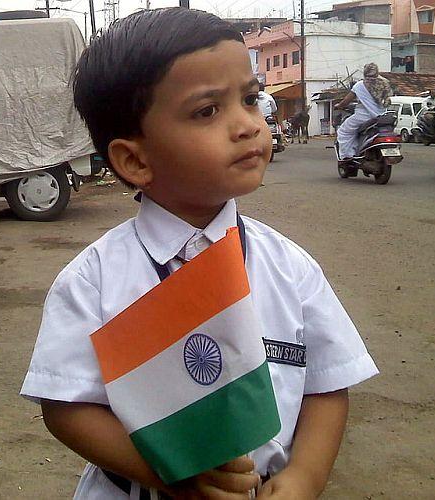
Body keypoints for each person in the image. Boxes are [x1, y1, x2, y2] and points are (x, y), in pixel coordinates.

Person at [21, 8, 378, 499]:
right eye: (207, 111)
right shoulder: (94, 280)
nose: (248, 125)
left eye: (250, 100)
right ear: (135, 159)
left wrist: (304, 478)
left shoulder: (290, 267)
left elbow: (327, 383)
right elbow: (66, 406)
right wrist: (172, 472)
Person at [335, 63, 392, 160]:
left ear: (365, 73)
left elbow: (346, 101)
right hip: (382, 117)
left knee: (344, 131)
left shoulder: (359, 86)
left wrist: (339, 106)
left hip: (363, 117)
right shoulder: (385, 83)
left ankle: (347, 156)